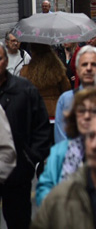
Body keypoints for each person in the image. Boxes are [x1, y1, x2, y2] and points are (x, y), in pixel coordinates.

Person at [0, 41, 51, 228]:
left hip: (18, 171)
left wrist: (30, 159)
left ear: (6, 61)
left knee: (19, 220)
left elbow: (41, 127)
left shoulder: (25, 89)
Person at [54, 45, 96, 143]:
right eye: (84, 64)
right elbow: (61, 138)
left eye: (94, 64)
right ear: (77, 70)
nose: (89, 68)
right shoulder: (66, 99)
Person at [20, 44, 70, 131]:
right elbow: (66, 89)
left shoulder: (26, 71)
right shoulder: (58, 69)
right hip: (55, 112)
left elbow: (23, 94)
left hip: (35, 113)